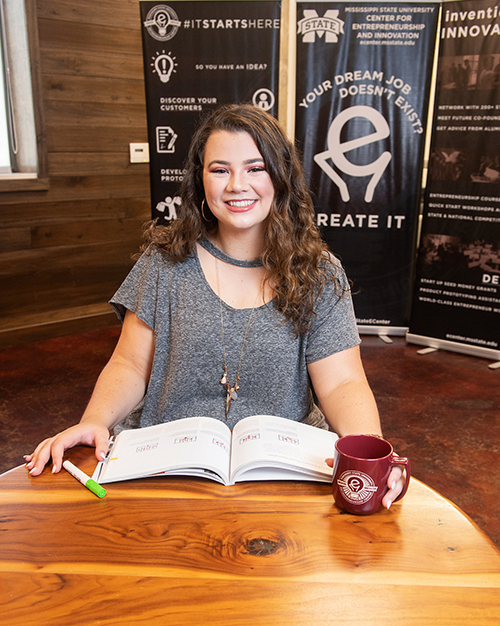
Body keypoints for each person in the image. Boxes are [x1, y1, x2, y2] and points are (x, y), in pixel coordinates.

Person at [25, 103, 404, 508]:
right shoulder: (164, 262)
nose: (237, 184)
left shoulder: (319, 272)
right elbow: (131, 365)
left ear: (281, 177)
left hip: (280, 471)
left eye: (255, 168)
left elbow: (342, 383)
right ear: (200, 180)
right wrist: (94, 421)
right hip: (168, 469)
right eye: (220, 169)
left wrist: (373, 456)